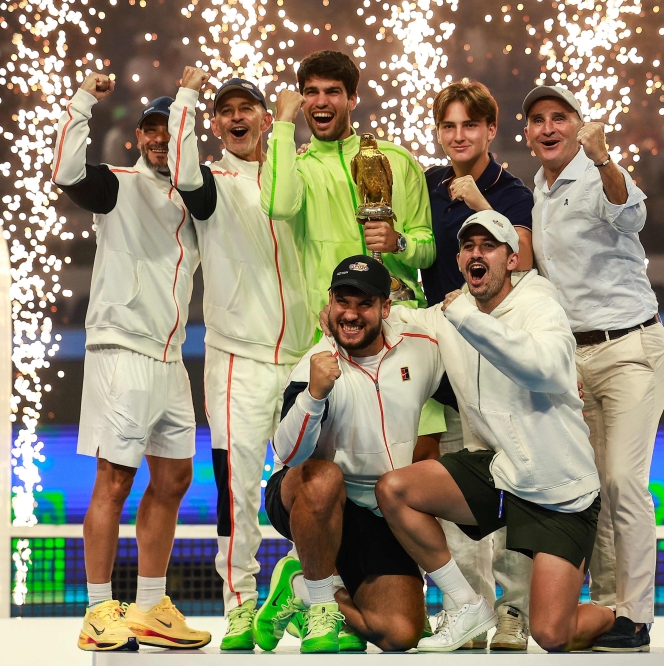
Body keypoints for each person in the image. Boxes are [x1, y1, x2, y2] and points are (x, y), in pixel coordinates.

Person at [375, 210, 614, 653]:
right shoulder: (454, 310)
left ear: (512, 258)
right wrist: (346, 315)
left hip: (558, 487)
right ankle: (466, 604)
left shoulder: (538, 302)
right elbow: (398, 324)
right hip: (497, 470)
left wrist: (466, 317)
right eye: (468, 247)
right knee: (394, 489)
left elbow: (546, 369)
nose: (476, 254)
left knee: (551, 634)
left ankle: (620, 618)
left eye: (488, 246)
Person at [51, 73, 210, 652]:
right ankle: (97, 610)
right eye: (151, 131)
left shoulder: (197, 200)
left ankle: (147, 608)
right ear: (139, 138)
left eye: (171, 133)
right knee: (114, 478)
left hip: (171, 357)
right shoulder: (118, 186)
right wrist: (83, 102)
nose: (160, 141)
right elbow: (66, 172)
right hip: (122, 348)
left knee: (174, 477)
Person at [165, 67, 313, 650]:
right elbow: (179, 171)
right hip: (238, 361)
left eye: (244, 107)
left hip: (305, 355)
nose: (234, 117)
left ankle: (308, 596)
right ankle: (241, 601)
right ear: (216, 124)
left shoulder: (294, 170)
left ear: (261, 113)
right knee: (238, 486)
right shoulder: (209, 182)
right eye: (223, 111)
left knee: (312, 484)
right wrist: (186, 97)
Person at [522, 85, 664, 652]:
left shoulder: (598, 171)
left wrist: (606, 156)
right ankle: (610, 608)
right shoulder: (540, 186)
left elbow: (632, 215)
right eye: (538, 119)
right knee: (598, 490)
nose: (548, 127)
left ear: (579, 125)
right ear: (528, 132)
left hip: (631, 348)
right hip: (577, 359)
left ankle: (636, 614)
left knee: (623, 481)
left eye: (559, 117)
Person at [253, 256, 445, 653]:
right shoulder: (314, 364)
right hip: (308, 496)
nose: (351, 314)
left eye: (364, 304)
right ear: (330, 303)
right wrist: (314, 395)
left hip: (376, 510)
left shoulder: (422, 349)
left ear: (385, 307)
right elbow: (286, 452)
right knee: (324, 478)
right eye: (343, 302)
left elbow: (466, 368)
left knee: (401, 633)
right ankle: (323, 605)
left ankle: (302, 584)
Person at [422, 79, 536, 651]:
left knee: (514, 490)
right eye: (449, 125)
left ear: (491, 131)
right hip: (446, 367)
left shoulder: (511, 192)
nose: (459, 135)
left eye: (471, 125)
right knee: (455, 497)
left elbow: (526, 260)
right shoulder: (426, 186)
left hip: (505, 365)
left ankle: (515, 613)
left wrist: (477, 204)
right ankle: (469, 611)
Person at [259, 49, 436, 321]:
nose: (320, 102)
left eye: (332, 92)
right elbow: (278, 207)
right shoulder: (298, 169)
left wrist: (398, 242)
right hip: (335, 325)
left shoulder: (397, 159)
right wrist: (282, 123)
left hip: (400, 317)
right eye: (311, 92)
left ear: (352, 99)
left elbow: (428, 249)